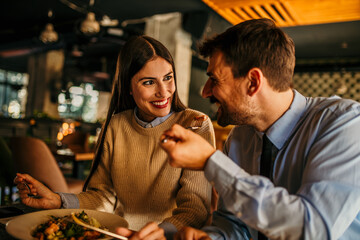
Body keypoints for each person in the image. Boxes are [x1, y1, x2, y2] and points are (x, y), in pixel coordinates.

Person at [160, 18, 360, 240]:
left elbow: (312, 229)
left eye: (214, 80)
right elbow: (236, 224)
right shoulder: (238, 139)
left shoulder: (344, 123)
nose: (206, 92)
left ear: (253, 82)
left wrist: (211, 162)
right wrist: (213, 238)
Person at [15, 35, 215, 240]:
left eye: (168, 77)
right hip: (113, 236)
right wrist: (57, 200)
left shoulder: (196, 124)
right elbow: (104, 196)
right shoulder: (116, 125)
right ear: (128, 87)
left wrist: (159, 233)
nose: (163, 92)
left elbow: (195, 208)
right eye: (148, 82)